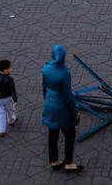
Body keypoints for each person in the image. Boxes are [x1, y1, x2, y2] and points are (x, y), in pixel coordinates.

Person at [41, 45, 84, 174]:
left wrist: (47, 101)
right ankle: (69, 163)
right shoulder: (64, 73)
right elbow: (68, 95)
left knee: (52, 135)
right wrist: (75, 111)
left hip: (50, 104)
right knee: (69, 135)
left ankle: (54, 161)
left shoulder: (46, 68)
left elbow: (44, 88)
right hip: (62, 108)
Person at [0, 58, 18, 136]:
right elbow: (12, 90)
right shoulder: (9, 79)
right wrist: (15, 100)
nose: (11, 69)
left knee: (1, 113)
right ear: (5, 70)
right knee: (10, 109)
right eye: (10, 67)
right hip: (7, 98)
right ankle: (12, 120)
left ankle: (0, 130)